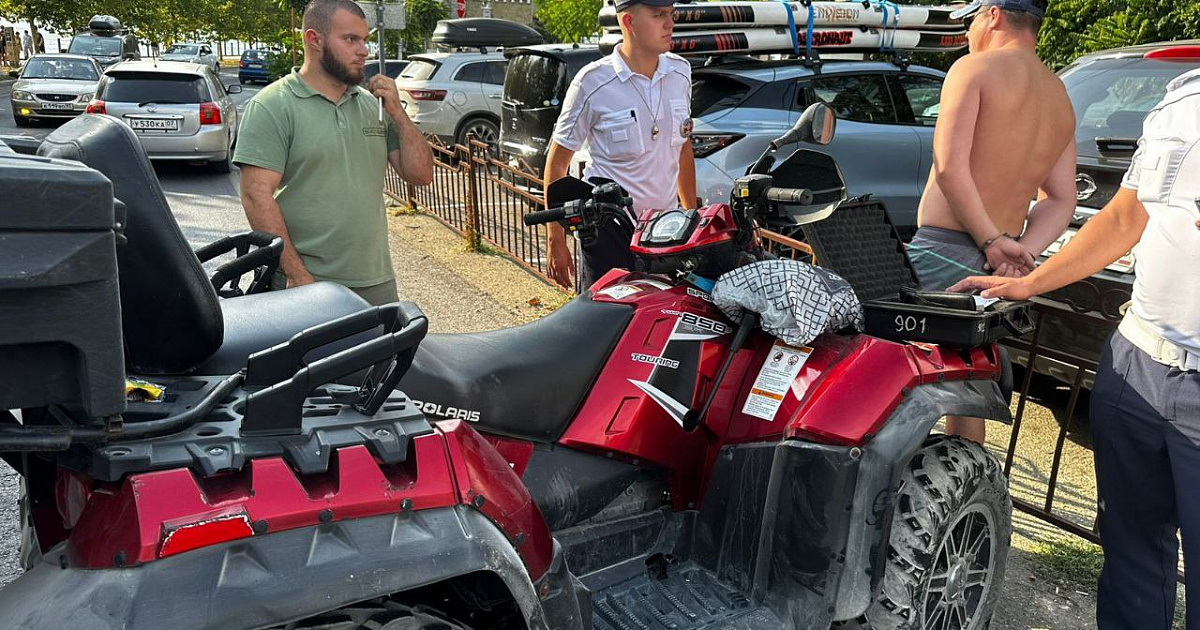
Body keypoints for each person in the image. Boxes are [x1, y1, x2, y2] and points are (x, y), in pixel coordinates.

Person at [951, 67, 1200, 630]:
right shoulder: (1182, 99)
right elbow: (1123, 217)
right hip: (1135, 362)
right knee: (1132, 560)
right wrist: (1027, 284)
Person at [907, 0, 1075, 443]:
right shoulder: (1059, 94)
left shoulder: (973, 68)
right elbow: (1062, 199)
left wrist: (991, 239)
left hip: (944, 250)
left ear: (994, 14)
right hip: (998, 270)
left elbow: (949, 167)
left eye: (971, 19)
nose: (967, 33)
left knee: (897, 381)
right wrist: (1019, 252)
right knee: (966, 383)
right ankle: (959, 497)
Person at [234, 0, 433, 306]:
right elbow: (255, 195)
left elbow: (420, 175)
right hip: (308, 285)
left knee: (384, 356)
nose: (364, 51)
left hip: (377, 283)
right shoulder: (272, 106)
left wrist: (399, 114)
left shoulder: (374, 106)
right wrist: (298, 276)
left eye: (365, 40)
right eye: (351, 39)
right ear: (314, 39)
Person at [543, 0, 696, 290]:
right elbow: (558, 163)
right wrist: (556, 239)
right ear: (629, 22)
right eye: (658, 15)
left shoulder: (680, 73)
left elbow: (683, 148)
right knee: (605, 329)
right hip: (608, 236)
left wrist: (691, 218)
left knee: (658, 325)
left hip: (664, 236)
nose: (670, 23)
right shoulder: (592, 82)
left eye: (671, 15)